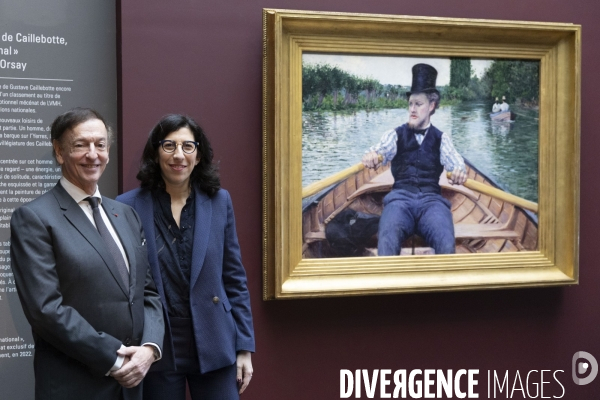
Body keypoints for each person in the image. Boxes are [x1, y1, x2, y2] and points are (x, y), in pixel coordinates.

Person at [10, 108, 164, 400]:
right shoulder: (34, 218)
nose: (93, 154)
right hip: (76, 384)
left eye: (100, 144)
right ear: (59, 152)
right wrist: (115, 358)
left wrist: (150, 349)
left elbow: (147, 293)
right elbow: (45, 310)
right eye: (81, 145)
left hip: (132, 383)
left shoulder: (126, 214)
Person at [116, 114, 255, 400]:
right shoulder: (126, 206)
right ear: (155, 153)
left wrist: (244, 346)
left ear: (199, 154)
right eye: (169, 146)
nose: (179, 155)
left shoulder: (219, 201)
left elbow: (234, 278)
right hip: (157, 345)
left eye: (187, 147)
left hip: (214, 338)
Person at [362, 64, 467, 255]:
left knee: (445, 239)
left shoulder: (442, 138)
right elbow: (379, 151)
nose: (412, 109)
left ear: (432, 106)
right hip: (400, 201)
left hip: (432, 202)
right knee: (387, 237)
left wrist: (459, 173)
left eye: (418, 104)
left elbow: (457, 165)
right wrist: (371, 156)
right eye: (410, 104)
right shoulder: (395, 135)